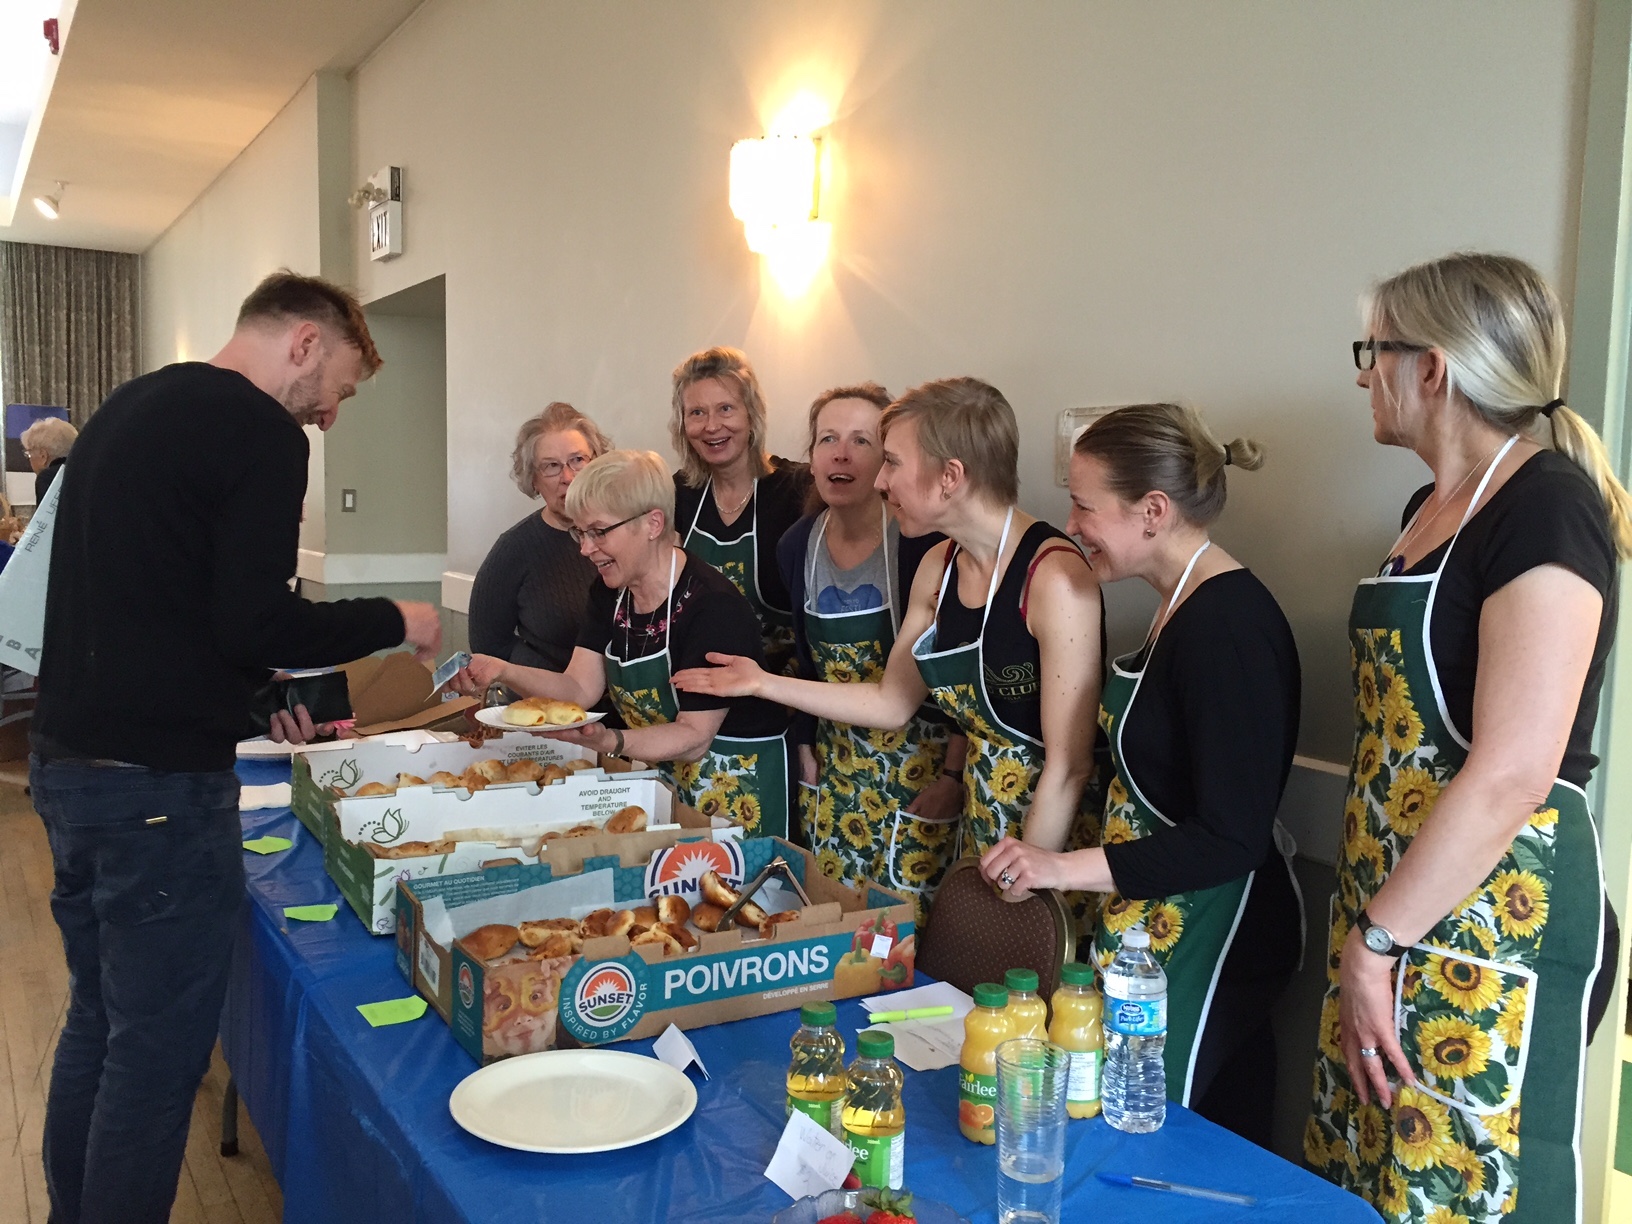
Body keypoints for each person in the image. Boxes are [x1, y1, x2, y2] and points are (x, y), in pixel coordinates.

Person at [29, 270, 442, 1224]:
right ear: (303, 342)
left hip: (71, 767)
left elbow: (163, 612)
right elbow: (254, 618)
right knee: (156, 1058)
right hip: (158, 795)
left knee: (99, 1023)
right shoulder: (259, 430)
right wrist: (396, 615)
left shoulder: (130, 408)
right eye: (339, 384)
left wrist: (252, 699)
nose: (331, 414)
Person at [1304, 253, 1625, 1224]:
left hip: (1493, 920)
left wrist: (1377, 942)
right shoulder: (1426, 512)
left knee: (1459, 1192)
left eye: (1376, 351)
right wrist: (1373, 936)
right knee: (1375, 1182)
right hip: (1396, 906)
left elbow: (1515, 770)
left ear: (1432, 369)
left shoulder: (1547, 508)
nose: (1364, 373)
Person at [978, 403, 1303, 1146]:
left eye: (1084, 505)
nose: (1072, 522)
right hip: (1156, 923)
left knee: (1182, 1140)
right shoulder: (1175, 607)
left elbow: (1229, 838)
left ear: (1152, 511)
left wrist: (1059, 866)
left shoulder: (1229, 630)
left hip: (1217, 932)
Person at [675, 377, 1103, 925]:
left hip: (1049, 839)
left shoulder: (1055, 578)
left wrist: (1025, 886)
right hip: (982, 827)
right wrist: (761, 682)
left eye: (892, 462)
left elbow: (1068, 766)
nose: (878, 479)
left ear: (950, 477)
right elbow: (890, 703)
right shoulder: (940, 565)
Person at [455, 449, 792, 837]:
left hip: (736, 791)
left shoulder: (712, 606)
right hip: (666, 781)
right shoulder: (610, 592)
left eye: (599, 531)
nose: (585, 548)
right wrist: (503, 670)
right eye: (580, 533)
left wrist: (612, 739)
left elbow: (694, 736)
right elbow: (579, 688)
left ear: (652, 523)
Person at [776, 382, 968, 913]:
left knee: (906, 932)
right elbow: (806, 659)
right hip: (836, 770)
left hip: (919, 769)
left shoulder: (923, 546)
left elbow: (955, 673)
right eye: (827, 439)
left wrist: (953, 775)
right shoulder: (797, 546)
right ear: (811, 460)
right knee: (837, 926)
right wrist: (804, 742)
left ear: (887, 463)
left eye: (862, 441)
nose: (841, 453)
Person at [670, 347, 812, 676]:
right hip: (700, 679)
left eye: (725, 409)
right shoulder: (677, 494)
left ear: (751, 414)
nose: (711, 426)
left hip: (783, 686)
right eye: (697, 413)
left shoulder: (798, 490)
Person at [467, 402, 612, 672]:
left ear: (597, 463)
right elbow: (488, 645)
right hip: (548, 705)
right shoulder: (513, 548)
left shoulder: (626, 532)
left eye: (578, 460)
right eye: (551, 466)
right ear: (533, 478)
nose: (568, 477)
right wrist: (543, 677)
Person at [23, 415, 77, 503]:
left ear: (43, 456)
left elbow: (45, 516)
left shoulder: (48, 477)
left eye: (29, 454)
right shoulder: (88, 471)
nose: (30, 460)